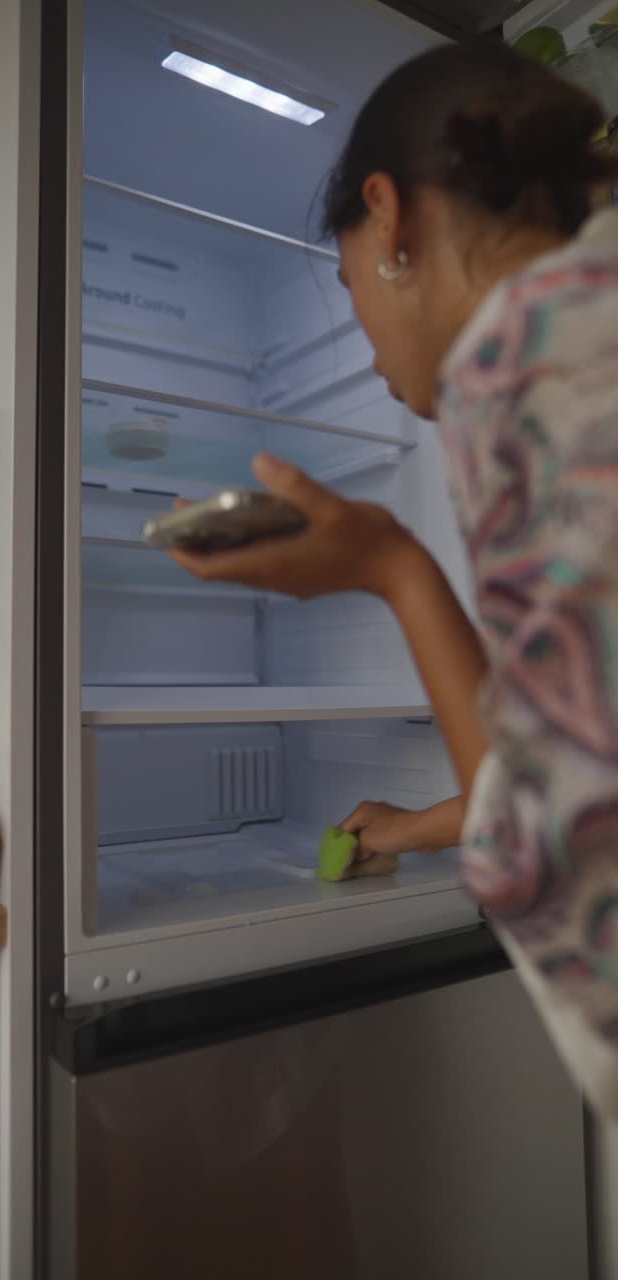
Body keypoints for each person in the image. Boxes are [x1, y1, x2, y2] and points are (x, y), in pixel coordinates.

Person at [173, 38, 618, 1116]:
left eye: (348, 281)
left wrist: (389, 566)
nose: (367, 344)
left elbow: (581, 872)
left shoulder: (519, 353)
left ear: (392, 217)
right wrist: (422, 825)